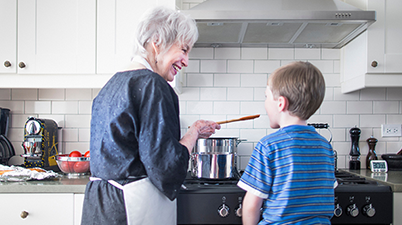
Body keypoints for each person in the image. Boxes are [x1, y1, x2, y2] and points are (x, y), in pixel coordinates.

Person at [80, 6, 221, 225]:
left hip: (100, 206)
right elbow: (165, 167)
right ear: (158, 42)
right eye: (184, 49)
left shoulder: (110, 86)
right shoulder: (152, 85)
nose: (186, 61)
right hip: (131, 207)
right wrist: (192, 135)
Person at [237, 61, 336, 225]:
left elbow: (251, 206)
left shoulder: (268, 147)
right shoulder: (325, 146)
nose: (265, 103)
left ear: (281, 103)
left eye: (266, 97)